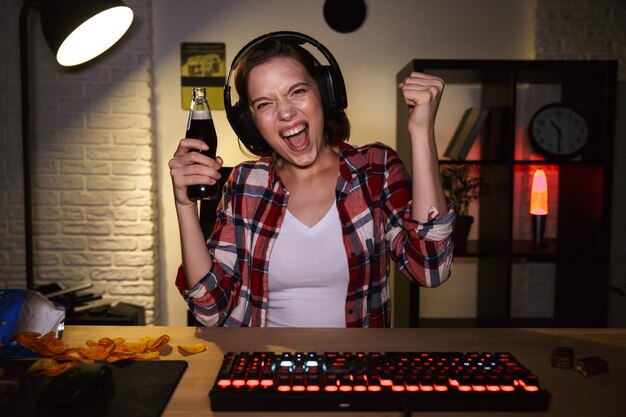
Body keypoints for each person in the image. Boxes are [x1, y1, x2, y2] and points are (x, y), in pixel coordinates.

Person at [169, 32, 455, 327]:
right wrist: (185, 205)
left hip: (356, 367)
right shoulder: (245, 183)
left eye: (297, 91)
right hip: (264, 365)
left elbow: (430, 270)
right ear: (250, 124)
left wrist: (422, 134)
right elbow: (210, 310)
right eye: (264, 104)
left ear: (325, 93)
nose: (285, 112)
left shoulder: (375, 168)